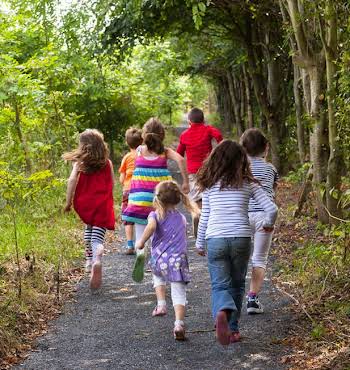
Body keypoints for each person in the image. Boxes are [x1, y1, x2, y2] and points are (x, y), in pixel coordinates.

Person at [195, 140, 278, 345]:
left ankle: (222, 311)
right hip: (241, 238)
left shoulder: (210, 185)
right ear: (241, 160)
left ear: (215, 160)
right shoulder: (248, 183)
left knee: (219, 284)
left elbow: (204, 216)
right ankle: (233, 329)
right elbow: (272, 209)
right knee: (238, 283)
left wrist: (198, 243)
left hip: (215, 239)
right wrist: (268, 224)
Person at [135, 180, 199, 340]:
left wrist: (141, 242)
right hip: (178, 261)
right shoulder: (182, 218)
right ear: (177, 199)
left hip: (160, 259)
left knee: (158, 276)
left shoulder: (155, 215)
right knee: (179, 293)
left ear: (158, 198)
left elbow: (150, 227)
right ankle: (178, 323)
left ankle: (161, 304)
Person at [122, 118, 190, 246]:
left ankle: (140, 250)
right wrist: (185, 182)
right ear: (162, 135)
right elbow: (181, 160)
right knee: (157, 232)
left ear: (144, 135)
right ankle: (157, 256)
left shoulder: (138, 151)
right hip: (159, 200)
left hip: (139, 200)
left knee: (141, 234)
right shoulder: (165, 152)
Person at [63, 129, 115, 290]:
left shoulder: (80, 163)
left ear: (84, 147)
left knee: (88, 229)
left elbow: (72, 180)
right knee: (97, 236)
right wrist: (108, 200)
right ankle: (97, 257)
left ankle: (89, 259)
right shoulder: (107, 162)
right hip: (102, 203)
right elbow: (112, 183)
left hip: (84, 203)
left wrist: (68, 202)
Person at [240, 128, 279, 314]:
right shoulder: (271, 169)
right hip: (265, 216)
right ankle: (253, 299)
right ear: (266, 147)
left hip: (243, 216)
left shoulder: (240, 168)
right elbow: (272, 190)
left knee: (240, 257)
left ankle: (234, 295)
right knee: (260, 258)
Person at [176, 107, 222, 236]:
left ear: (189, 121)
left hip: (193, 173)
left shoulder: (185, 135)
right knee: (208, 197)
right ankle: (208, 225)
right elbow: (219, 136)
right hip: (209, 170)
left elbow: (179, 154)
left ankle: (196, 215)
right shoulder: (208, 130)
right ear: (203, 120)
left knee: (196, 200)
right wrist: (218, 150)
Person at [118, 128, 143, 255]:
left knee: (128, 217)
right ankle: (142, 242)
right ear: (142, 141)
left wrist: (125, 183)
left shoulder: (127, 157)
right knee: (142, 216)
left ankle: (129, 244)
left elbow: (122, 178)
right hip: (141, 189)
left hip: (128, 190)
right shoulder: (144, 155)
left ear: (127, 143)